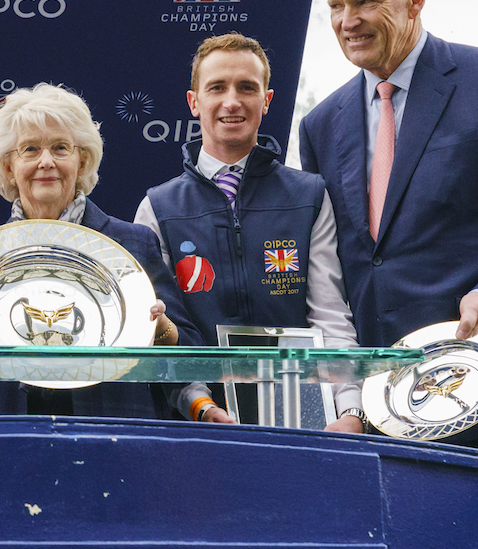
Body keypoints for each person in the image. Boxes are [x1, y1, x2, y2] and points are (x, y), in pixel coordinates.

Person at [300, 0, 478, 452]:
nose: (346, 21)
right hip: (381, 416)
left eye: (364, 2)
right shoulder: (319, 125)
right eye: (336, 6)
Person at [135, 33, 363, 432]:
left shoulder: (309, 196)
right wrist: (198, 404)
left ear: (267, 100)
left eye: (246, 88)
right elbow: (158, 332)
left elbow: (330, 316)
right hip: (200, 424)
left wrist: (351, 410)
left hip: (307, 420)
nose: (232, 101)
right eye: (217, 87)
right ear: (194, 103)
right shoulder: (158, 208)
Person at [0, 83, 201, 417]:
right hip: (7, 441)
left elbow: (193, 357)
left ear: (82, 160)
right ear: (8, 168)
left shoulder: (132, 245)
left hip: (111, 439)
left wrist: (160, 327)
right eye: (30, 149)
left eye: (60, 148)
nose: (45, 162)